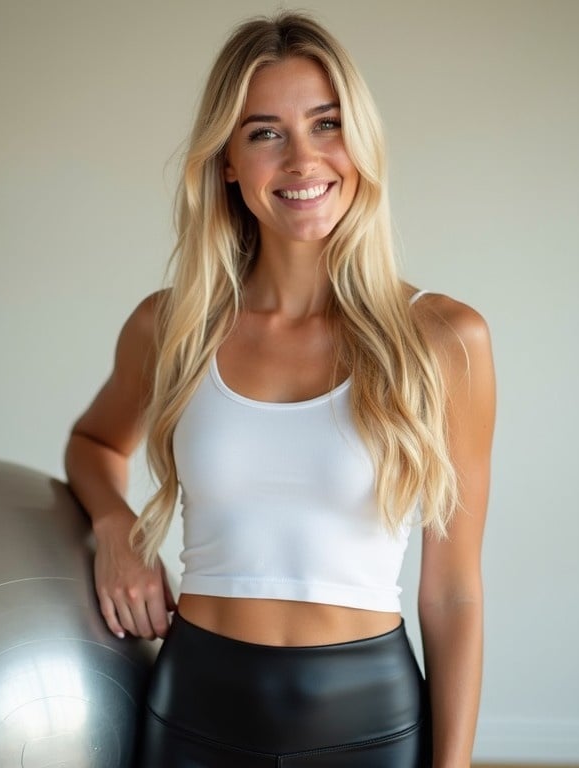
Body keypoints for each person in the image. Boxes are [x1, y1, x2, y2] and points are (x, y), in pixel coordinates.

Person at [65, 11, 495, 767]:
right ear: (228, 162)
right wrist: (114, 528)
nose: (302, 159)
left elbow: (453, 591)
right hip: (194, 707)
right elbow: (96, 443)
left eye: (326, 125)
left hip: (370, 719)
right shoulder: (172, 326)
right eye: (265, 132)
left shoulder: (445, 339)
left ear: (360, 141)